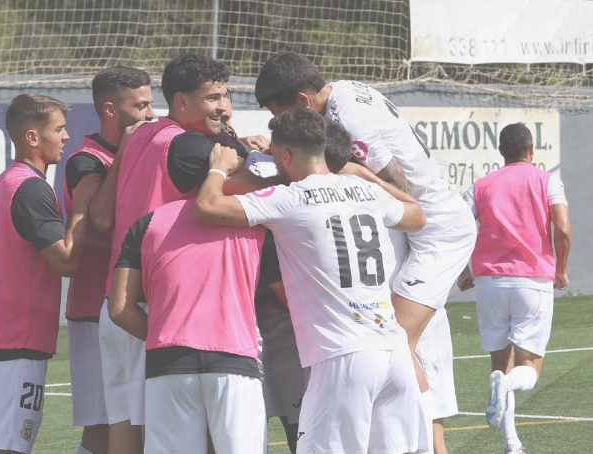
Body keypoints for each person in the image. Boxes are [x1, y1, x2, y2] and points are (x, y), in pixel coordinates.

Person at [254, 51, 477, 453]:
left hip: (431, 236)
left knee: (395, 340)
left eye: (280, 114)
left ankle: (427, 446)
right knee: (398, 341)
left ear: (303, 102)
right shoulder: (348, 90)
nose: (281, 125)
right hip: (434, 232)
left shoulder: (350, 119)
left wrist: (356, 182)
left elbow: (400, 190)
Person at [193, 108, 429, 454]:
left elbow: (207, 207)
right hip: (394, 351)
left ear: (285, 155)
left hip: (343, 357)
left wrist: (218, 167)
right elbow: (417, 215)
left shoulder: (289, 199)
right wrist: (368, 176)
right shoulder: (367, 192)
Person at [100, 53, 275, 452]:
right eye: (213, 97)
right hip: (160, 310)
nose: (224, 106)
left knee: (126, 431)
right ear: (181, 102)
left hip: (123, 300)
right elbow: (253, 186)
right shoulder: (190, 145)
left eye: (226, 95)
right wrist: (265, 158)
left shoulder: (146, 132)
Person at [0, 93, 101, 454]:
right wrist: (84, 204)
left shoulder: (9, 181)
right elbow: (67, 261)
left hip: (7, 337)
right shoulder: (30, 188)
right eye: (59, 129)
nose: (67, 136)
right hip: (12, 339)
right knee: (10, 447)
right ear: (33, 138)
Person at [107, 197, 281, 454]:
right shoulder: (254, 220)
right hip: (234, 359)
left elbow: (119, 308)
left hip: (168, 361)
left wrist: (167, 336)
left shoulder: (148, 221)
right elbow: (288, 296)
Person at [457, 122, 571, 454]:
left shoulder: (480, 185)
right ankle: (506, 395)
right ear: (531, 149)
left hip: (490, 284)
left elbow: (456, 229)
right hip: (533, 282)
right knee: (529, 371)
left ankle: (512, 442)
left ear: (501, 151)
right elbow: (562, 228)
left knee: (499, 364)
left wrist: (464, 271)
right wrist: (561, 269)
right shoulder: (548, 180)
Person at [62, 66, 154, 454]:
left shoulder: (143, 149)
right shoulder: (85, 160)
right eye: (141, 105)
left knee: (140, 422)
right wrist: (126, 158)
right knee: (102, 430)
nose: (150, 114)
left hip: (127, 308)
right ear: (110, 109)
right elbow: (101, 216)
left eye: (151, 104)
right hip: (93, 309)